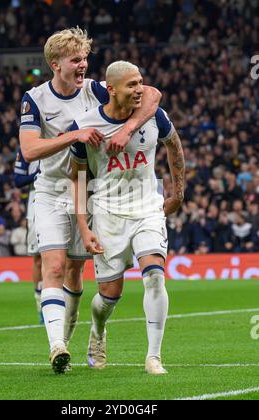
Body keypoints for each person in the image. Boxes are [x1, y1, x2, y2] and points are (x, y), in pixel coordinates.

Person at [19, 27, 161, 374]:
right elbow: (29, 149)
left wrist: (128, 129)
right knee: (53, 266)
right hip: (52, 191)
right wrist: (74, 134)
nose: (83, 65)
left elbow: (154, 95)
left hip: (90, 190)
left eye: (85, 58)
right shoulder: (35, 99)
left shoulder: (96, 89)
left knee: (75, 271)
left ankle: (89, 332)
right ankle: (57, 346)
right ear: (56, 64)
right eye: (75, 60)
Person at [70, 61, 185, 375]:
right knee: (109, 297)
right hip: (108, 213)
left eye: (140, 83)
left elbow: (174, 145)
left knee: (155, 276)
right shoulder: (85, 126)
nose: (139, 90)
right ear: (111, 89)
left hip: (149, 207)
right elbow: (77, 179)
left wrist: (178, 192)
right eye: (131, 85)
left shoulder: (154, 116)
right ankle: (97, 330)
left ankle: (154, 357)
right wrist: (83, 226)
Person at [14, 149, 44, 324]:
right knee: (38, 258)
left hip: (61, 202)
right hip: (35, 207)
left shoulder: (61, 137)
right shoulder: (27, 147)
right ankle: (39, 302)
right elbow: (18, 180)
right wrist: (38, 174)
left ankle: (55, 301)